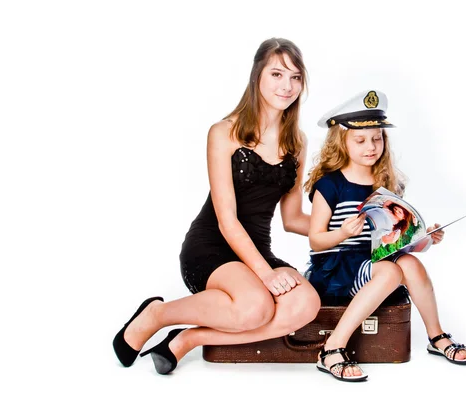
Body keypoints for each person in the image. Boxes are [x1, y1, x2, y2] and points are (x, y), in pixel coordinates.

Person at [113, 38, 321, 375]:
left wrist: (353, 229)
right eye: (277, 74)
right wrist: (265, 274)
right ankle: (156, 314)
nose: (287, 86)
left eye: (296, 77)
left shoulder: (296, 141)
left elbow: (293, 218)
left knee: (306, 304)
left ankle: (189, 340)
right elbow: (226, 221)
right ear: (257, 77)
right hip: (212, 247)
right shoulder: (224, 132)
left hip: (257, 251)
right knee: (256, 307)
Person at [304, 89, 466, 382]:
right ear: (340, 141)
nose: (371, 146)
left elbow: (391, 239)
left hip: (376, 263)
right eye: (360, 140)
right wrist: (342, 233)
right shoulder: (330, 185)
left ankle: (437, 336)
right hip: (338, 269)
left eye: (377, 138)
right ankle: (331, 349)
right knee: (391, 272)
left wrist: (421, 239)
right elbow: (315, 240)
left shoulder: (388, 184)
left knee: (410, 265)